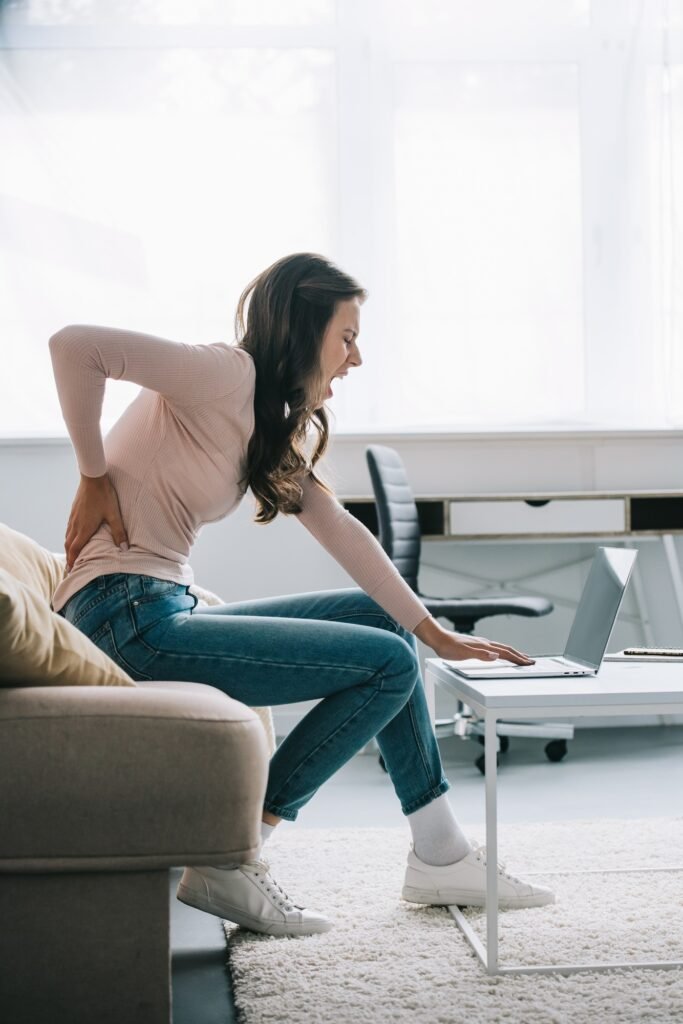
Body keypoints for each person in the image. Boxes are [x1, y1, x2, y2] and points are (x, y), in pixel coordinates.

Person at [50, 252, 554, 937]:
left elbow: (340, 528)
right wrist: (92, 474)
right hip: (125, 615)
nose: (356, 357)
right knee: (387, 664)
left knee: (387, 627)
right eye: (346, 336)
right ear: (303, 326)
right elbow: (76, 346)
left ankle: (440, 852)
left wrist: (432, 629)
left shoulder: (261, 416)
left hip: (159, 605)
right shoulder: (225, 372)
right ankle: (235, 854)